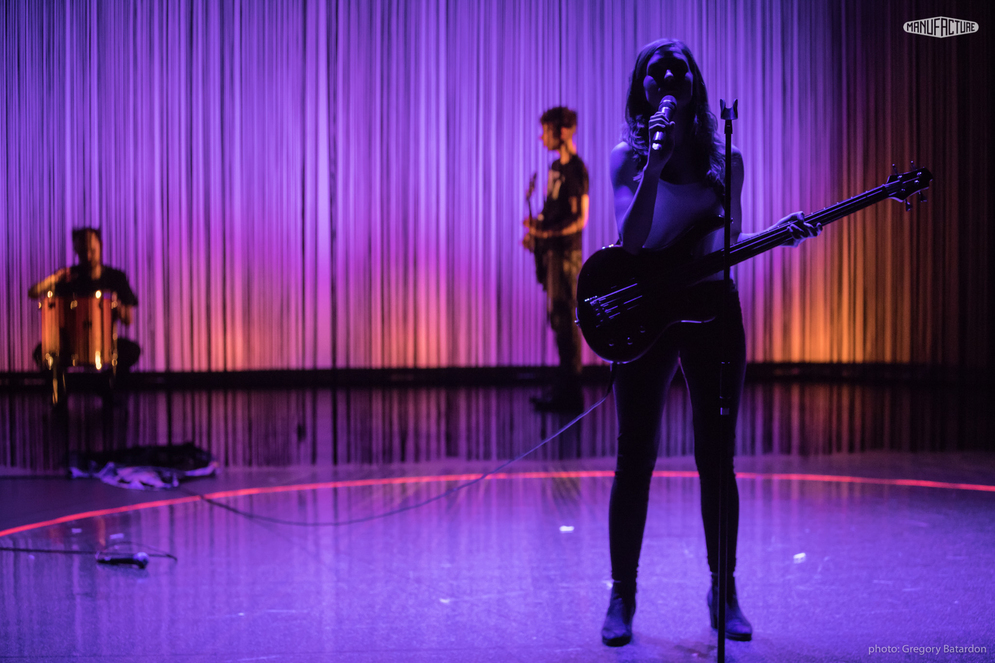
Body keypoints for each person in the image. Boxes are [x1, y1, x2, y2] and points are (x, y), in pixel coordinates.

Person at [600, 39, 822, 646]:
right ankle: (622, 592)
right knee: (635, 455)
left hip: (713, 311)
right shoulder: (626, 159)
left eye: (681, 68)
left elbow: (726, 245)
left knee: (716, 458)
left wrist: (774, 234)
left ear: (695, 83)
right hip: (647, 316)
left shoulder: (728, 161)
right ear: (642, 88)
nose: (670, 75)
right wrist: (654, 163)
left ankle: (723, 589)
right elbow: (632, 240)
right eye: (657, 70)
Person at [523, 106, 589, 411]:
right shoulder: (553, 168)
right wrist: (536, 229)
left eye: (546, 131)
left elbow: (580, 219)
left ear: (561, 132)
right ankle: (564, 387)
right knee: (558, 320)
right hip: (552, 254)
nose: (542, 137)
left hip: (566, 255)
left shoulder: (576, 170)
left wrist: (546, 234)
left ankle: (571, 392)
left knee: (566, 320)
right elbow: (552, 210)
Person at [28, 227, 140, 373]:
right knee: (41, 353)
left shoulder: (116, 277)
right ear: (76, 250)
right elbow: (33, 292)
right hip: (72, 343)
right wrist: (54, 279)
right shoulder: (69, 276)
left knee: (131, 351)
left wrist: (116, 306)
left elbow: (128, 320)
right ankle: (62, 386)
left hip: (105, 341)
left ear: (100, 245)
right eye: (82, 252)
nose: (88, 256)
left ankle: (107, 383)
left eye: (92, 250)